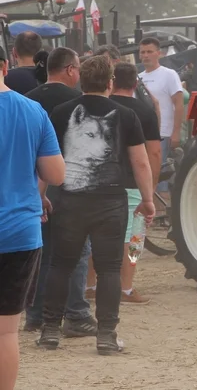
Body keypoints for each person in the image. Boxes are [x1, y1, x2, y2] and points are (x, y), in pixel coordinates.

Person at [39, 56, 155, 355]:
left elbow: (46, 159)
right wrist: (148, 199)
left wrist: (40, 195)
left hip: (69, 200)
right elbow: (141, 162)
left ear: (81, 80)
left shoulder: (60, 113)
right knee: (109, 270)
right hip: (110, 203)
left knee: (60, 265)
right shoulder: (126, 115)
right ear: (110, 83)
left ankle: (50, 331)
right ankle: (106, 335)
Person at [0, 45, 65, 390]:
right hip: (19, 234)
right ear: (6, 66)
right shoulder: (33, 110)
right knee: (7, 331)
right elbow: (55, 174)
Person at [22, 48, 97, 337]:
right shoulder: (77, 103)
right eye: (77, 69)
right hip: (69, 186)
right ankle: (75, 312)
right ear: (69, 70)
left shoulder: (27, 101)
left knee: (39, 252)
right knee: (76, 252)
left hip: (32, 186)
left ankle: (36, 314)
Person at [106, 62, 162, 305]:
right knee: (135, 236)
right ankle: (126, 288)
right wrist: (151, 186)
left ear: (112, 82)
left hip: (103, 181)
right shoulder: (145, 110)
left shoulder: (101, 107)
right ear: (135, 84)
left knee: (99, 234)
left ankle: (90, 284)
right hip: (133, 182)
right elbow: (154, 153)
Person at [138, 37, 183, 202]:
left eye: (149, 52)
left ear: (159, 53)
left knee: (160, 175)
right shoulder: (138, 78)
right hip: (142, 135)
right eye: (142, 52)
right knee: (146, 174)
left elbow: (178, 104)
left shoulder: (169, 75)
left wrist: (176, 132)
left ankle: (162, 210)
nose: (145, 55)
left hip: (163, 133)